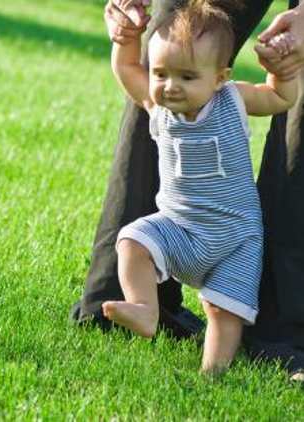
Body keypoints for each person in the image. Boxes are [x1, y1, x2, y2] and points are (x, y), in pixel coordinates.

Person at [71, 0, 304, 379]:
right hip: (178, 230)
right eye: (161, 73)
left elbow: (280, 99)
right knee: (132, 241)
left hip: (235, 240)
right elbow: (128, 68)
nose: (170, 87)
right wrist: (127, 40)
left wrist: (283, 73)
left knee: (223, 312)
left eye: (187, 77)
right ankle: (146, 309)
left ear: (219, 77)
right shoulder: (157, 106)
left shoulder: (233, 100)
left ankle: (213, 374)